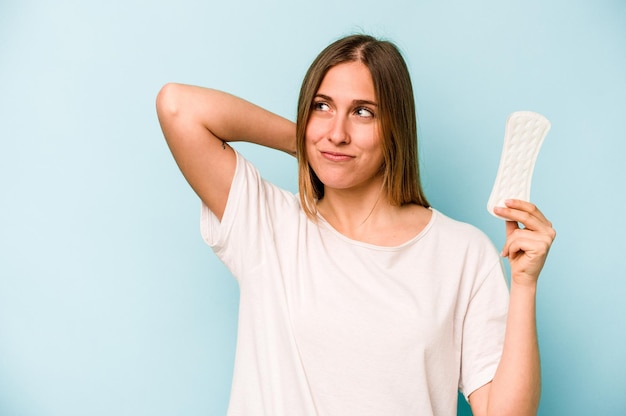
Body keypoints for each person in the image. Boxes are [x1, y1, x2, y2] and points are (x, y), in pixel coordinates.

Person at [156, 34, 555, 416]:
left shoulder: (461, 252)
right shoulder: (267, 226)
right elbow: (178, 106)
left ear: (395, 127)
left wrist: (524, 283)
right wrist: (312, 144)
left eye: (363, 112)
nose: (338, 131)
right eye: (322, 106)